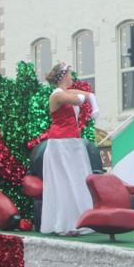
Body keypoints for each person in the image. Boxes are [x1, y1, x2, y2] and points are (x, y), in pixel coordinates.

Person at [40, 62, 99, 235]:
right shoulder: (57, 95)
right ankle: (65, 224)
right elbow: (79, 99)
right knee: (65, 181)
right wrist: (86, 98)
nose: (72, 77)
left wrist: (95, 105)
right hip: (60, 144)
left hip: (72, 141)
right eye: (69, 74)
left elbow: (89, 95)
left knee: (77, 178)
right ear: (63, 76)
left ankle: (79, 220)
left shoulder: (65, 92)